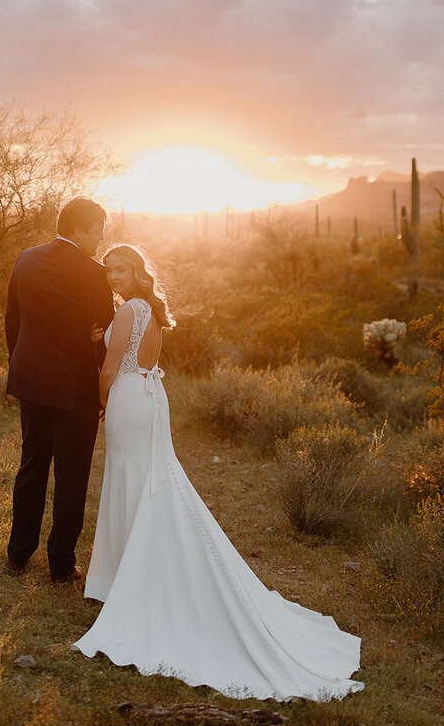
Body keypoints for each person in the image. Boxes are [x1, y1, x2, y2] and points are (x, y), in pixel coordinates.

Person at [74, 244, 364, 702]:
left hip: (128, 399)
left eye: (121, 269)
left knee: (129, 481)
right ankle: (125, 572)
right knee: (150, 482)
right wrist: (103, 337)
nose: (113, 277)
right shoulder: (149, 308)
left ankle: (125, 579)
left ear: (137, 271)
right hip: (151, 398)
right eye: (109, 270)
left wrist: (100, 402)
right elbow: (136, 353)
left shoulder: (128, 309)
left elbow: (111, 370)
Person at [5, 197, 115, 582]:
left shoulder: (26, 258)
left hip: (31, 380)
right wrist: (103, 385)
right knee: (72, 476)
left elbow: (12, 321)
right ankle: (61, 565)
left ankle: (18, 554)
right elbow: (107, 334)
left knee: (32, 464)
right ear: (80, 229)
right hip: (75, 386)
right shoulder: (95, 273)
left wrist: (23, 364)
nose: (100, 239)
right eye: (98, 231)